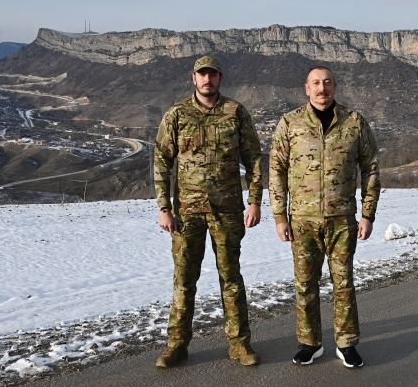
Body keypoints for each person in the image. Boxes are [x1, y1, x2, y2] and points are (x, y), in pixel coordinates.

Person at [153, 55, 264, 368]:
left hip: (227, 211)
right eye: (202, 75)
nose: (207, 80)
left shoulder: (235, 112)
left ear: (220, 78)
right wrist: (164, 207)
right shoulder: (177, 114)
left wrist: (255, 200)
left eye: (212, 75)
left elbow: (254, 158)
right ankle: (176, 345)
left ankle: (240, 344)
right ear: (194, 78)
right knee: (184, 281)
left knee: (231, 279)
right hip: (187, 213)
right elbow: (162, 160)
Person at [269, 65, 381, 368]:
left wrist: (368, 214)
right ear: (306, 88)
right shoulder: (290, 123)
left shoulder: (354, 122)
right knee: (305, 283)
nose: (322, 88)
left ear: (335, 87)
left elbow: (370, 168)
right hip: (302, 220)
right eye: (316, 83)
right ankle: (310, 342)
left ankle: (346, 343)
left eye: (328, 82)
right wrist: (279, 216)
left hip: (342, 219)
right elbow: (276, 171)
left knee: (344, 283)